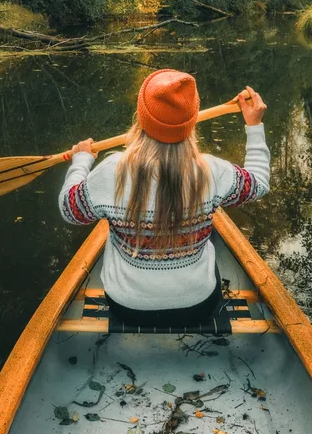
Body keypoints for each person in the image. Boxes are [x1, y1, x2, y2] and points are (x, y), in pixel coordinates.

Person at [58, 70, 270, 326]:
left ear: (141, 118)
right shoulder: (212, 171)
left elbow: (70, 210)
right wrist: (254, 125)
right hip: (198, 306)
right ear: (191, 122)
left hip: (126, 307)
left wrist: (81, 160)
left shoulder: (112, 171)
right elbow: (258, 184)